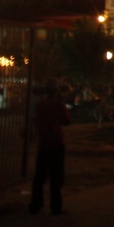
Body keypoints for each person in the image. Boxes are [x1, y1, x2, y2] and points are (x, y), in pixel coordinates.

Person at [29, 77, 72, 215]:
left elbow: (36, 117)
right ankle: (55, 207)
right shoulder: (58, 104)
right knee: (56, 177)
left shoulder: (40, 104)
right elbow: (66, 120)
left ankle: (36, 205)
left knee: (39, 177)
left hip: (43, 143)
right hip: (56, 143)